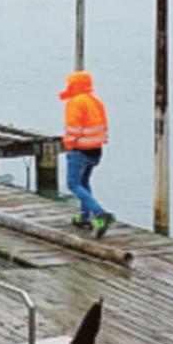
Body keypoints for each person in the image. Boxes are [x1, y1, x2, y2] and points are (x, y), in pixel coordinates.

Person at [61, 70, 115, 238]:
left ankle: (100, 214)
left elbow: (73, 128)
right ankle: (84, 216)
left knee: (73, 184)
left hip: (80, 149)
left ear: (74, 85)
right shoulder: (96, 102)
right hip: (96, 149)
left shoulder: (75, 103)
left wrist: (69, 145)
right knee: (84, 182)